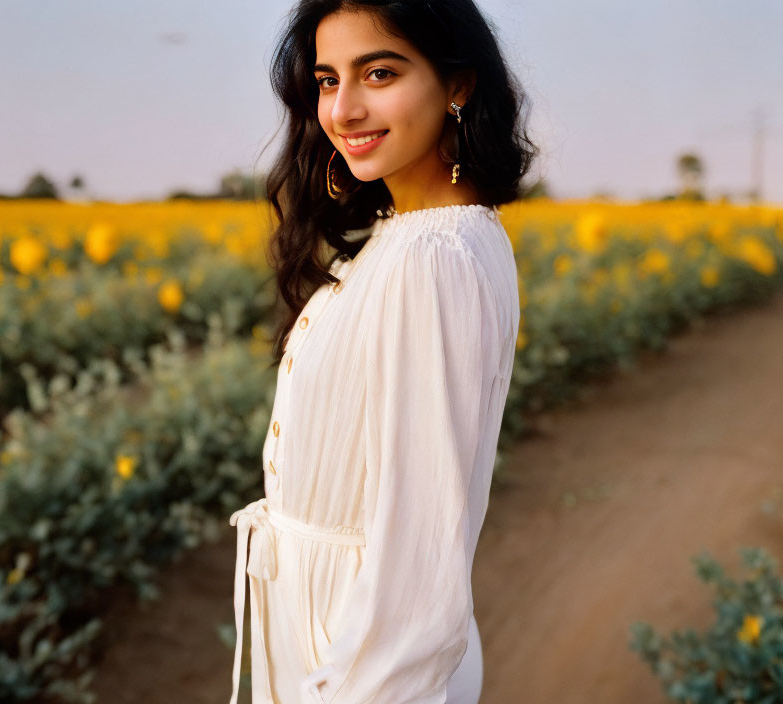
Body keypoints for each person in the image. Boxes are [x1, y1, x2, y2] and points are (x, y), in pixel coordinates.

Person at [229, 1, 538, 701]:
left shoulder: (433, 256)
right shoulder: (420, 236)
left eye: (379, 72)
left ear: (458, 84)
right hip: (340, 637)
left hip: (365, 660)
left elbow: (421, 548)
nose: (344, 109)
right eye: (328, 80)